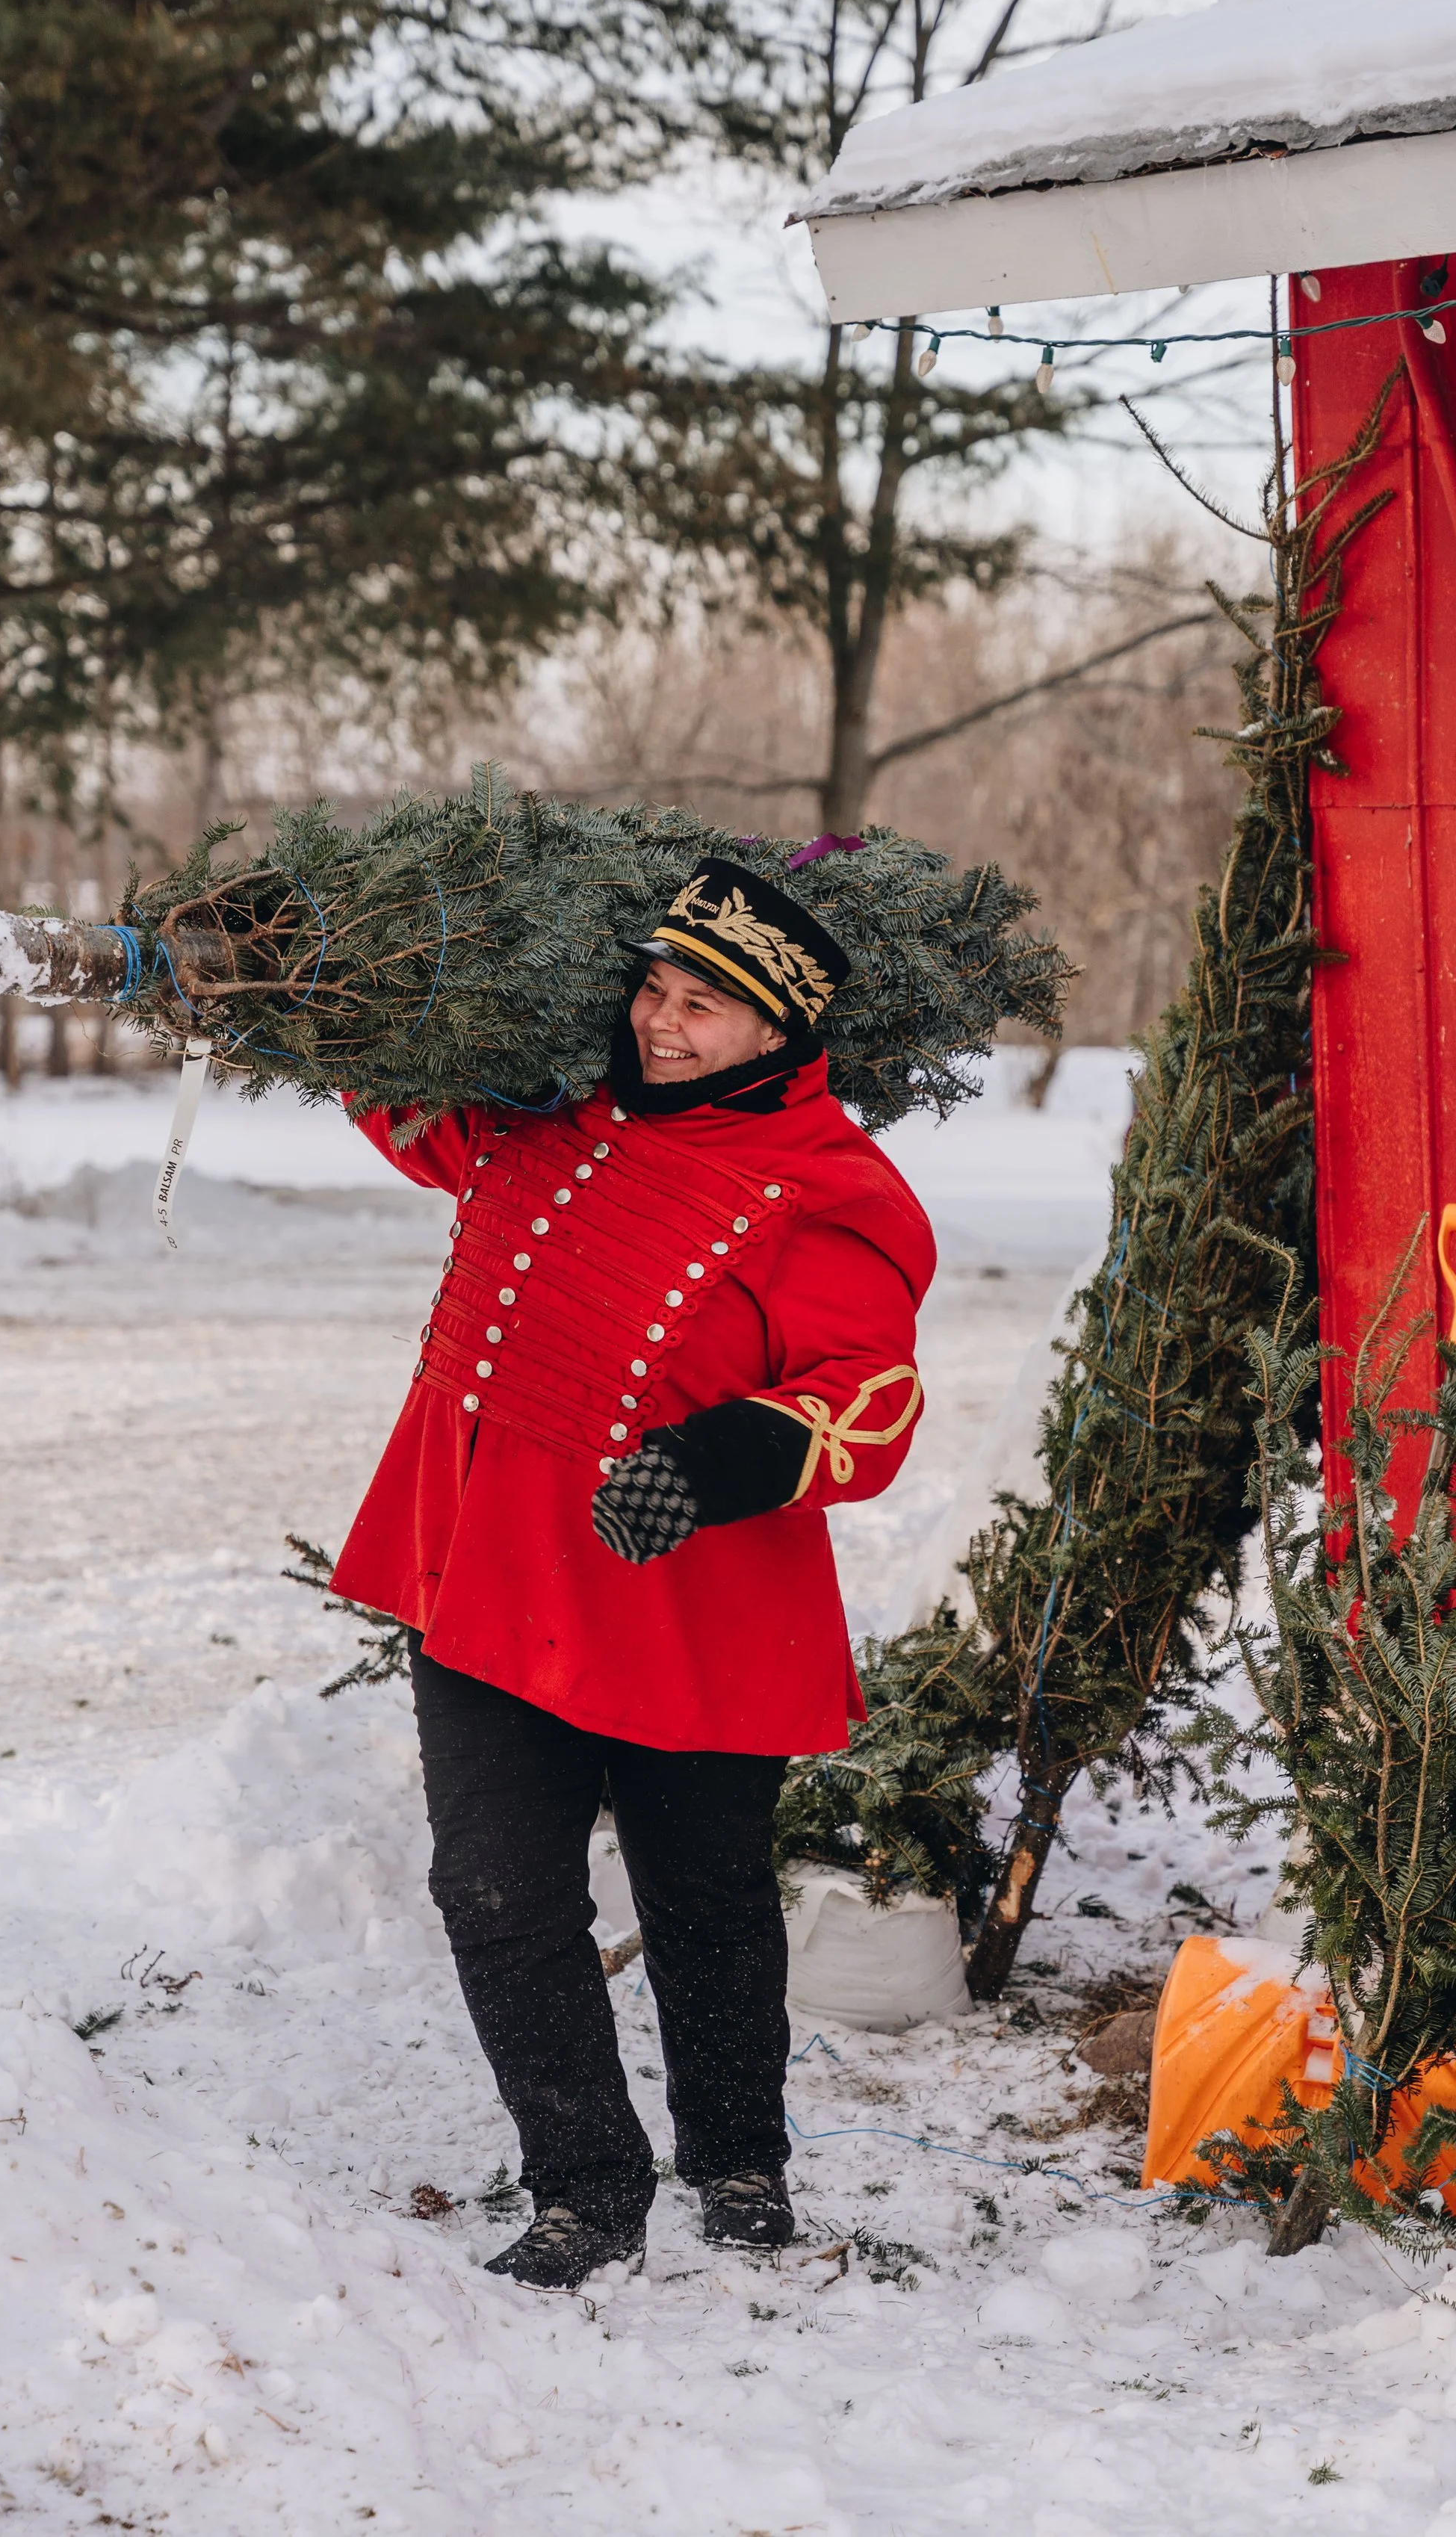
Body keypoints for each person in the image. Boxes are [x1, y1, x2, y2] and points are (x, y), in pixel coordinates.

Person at [331, 858, 936, 2288]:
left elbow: (876, 1398)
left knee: (706, 1897)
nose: (662, 1026)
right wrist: (309, 986)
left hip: (688, 1600)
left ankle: (736, 2159)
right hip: (487, 1570)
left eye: (705, 1008)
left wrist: (722, 1461)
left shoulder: (829, 1187)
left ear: (782, 1030)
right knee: (490, 1887)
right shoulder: (542, 1109)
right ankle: (586, 2190)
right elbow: (395, 1098)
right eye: (655, 991)